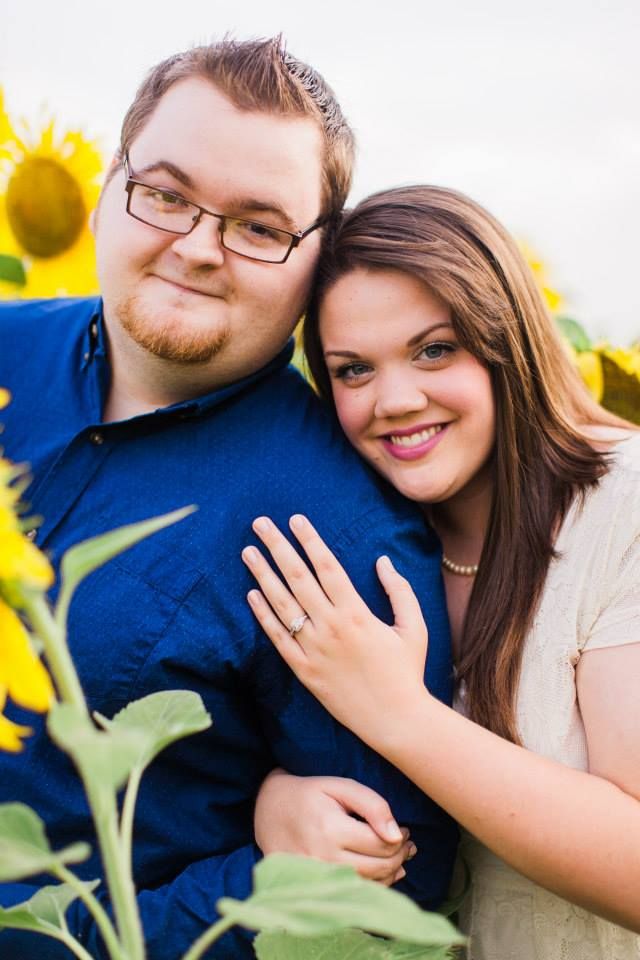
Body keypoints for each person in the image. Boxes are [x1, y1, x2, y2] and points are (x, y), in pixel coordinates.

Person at [0, 41, 458, 960]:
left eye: (258, 226)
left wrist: (244, 885)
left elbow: (375, 902)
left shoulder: (337, 533)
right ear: (107, 186)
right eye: (165, 194)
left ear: (317, 258)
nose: (197, 248)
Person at [243, 185, 640, 959]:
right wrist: (279, 805)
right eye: (353, 370)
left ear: (507, 338)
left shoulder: (622, 506)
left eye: (434, 349)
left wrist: (400, 713)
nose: (395, 399)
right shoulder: (358, 544)